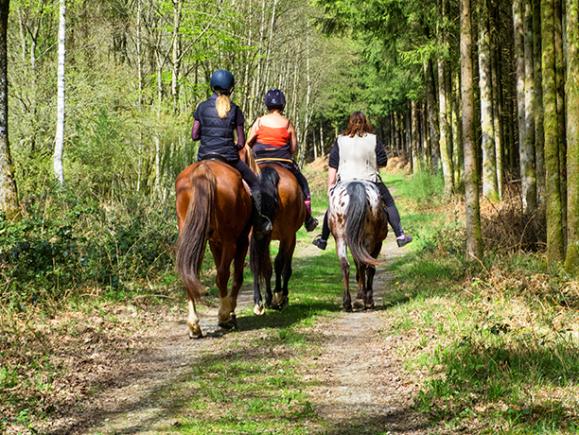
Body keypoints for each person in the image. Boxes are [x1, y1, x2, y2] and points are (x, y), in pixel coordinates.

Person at [312, 111, 412, 249]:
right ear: (365, 123)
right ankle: (400, 236)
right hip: (370, 179)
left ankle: (323, 239)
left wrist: (331, 185)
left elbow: (333, 165)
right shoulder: (373, 139)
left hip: (344, 181)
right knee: (389, 203)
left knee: (331, 208)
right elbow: (383, 161)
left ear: (350, 123)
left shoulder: (340, 140)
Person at [191, 69, 271, 234]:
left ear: (212, 86)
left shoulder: (202, 107)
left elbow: (194, 135)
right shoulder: (235, 109)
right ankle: (258, 223)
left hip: (204, 156)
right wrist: (229, 146)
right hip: (228, 158)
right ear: (231, 88)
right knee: (255, 183)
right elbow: (241, 142)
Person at [246, 89, 318, 232]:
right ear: (283, 105)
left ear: (267, 104)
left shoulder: (259, 121)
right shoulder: (287, 123)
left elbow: (248, 143)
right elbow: (293, 148)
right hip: (283, 161)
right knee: (303, 185)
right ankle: (308, 218)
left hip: (260, 161)